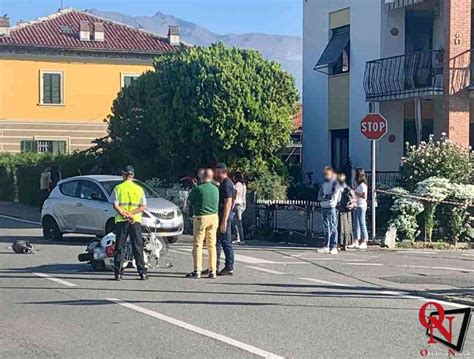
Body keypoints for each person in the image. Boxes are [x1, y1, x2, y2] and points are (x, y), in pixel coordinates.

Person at [111, 165, 148, 280]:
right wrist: (132, 214)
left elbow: (115, 205)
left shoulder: (118, 188)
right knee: (137, 246)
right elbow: (143, 206)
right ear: (133, 175)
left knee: (119, 246)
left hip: (122, 220)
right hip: (135, 220)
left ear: (123, 174)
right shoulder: (139, 189)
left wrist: (124, 214)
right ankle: (142, 272)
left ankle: (118, 272)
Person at [186, 169, 219, 279]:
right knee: (211, 245)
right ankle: (212, 270)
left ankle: (197, 270)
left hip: (201, 217)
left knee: (198, 245)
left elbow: (189, 202)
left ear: (202, 177)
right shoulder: (216, 189)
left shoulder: (198, 189)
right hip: (214, 217)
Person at [214, 163, 235, 275]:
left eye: (217, 172)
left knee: (226, 241)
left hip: (224, 216)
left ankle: (229, 266)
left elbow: (228, 203)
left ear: (223, 172)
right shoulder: (224, 183)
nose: (215, 174)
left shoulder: (227, 184)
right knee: (217, 241)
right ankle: (214, 266)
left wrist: (224, 221)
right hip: (222, 215)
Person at [317, 166, 339, 254]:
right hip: (324, 207)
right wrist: (325, 197)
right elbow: (319, 196)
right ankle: (326, 245)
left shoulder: (335, 183)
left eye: (327, 173)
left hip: (331, 207)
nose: (326, 175)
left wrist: (325, 197)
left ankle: (334, 246)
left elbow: (332, 195)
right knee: (326, 227)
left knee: (333, 226)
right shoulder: (324, 184)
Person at [350, 168, 369, 250]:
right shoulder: (357, 184)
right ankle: (356, 240)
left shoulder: (363, 185)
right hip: (357, 205)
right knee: (356, 224)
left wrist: (355, 192)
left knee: (362, 223)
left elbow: (364, 196)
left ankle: (364, 240)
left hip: (361, 205)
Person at [336, 173, 355, 251]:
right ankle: (345, 244)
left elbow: (337, 199)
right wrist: (352, 204)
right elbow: (353, 199)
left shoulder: (338, 188)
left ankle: (339, 244)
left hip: (341, 209)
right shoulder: (348, 188)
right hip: (348, 210)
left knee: (340, 227)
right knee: (347, 226)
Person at [232, 172, 247, 245]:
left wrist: (232, 203)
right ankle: (238, 237)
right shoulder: (243, 185)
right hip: (241, 203)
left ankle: (241, 238)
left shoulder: (238, 184)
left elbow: (236, 194)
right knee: (236, 222)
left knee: (238, 222)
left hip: (237, 204)